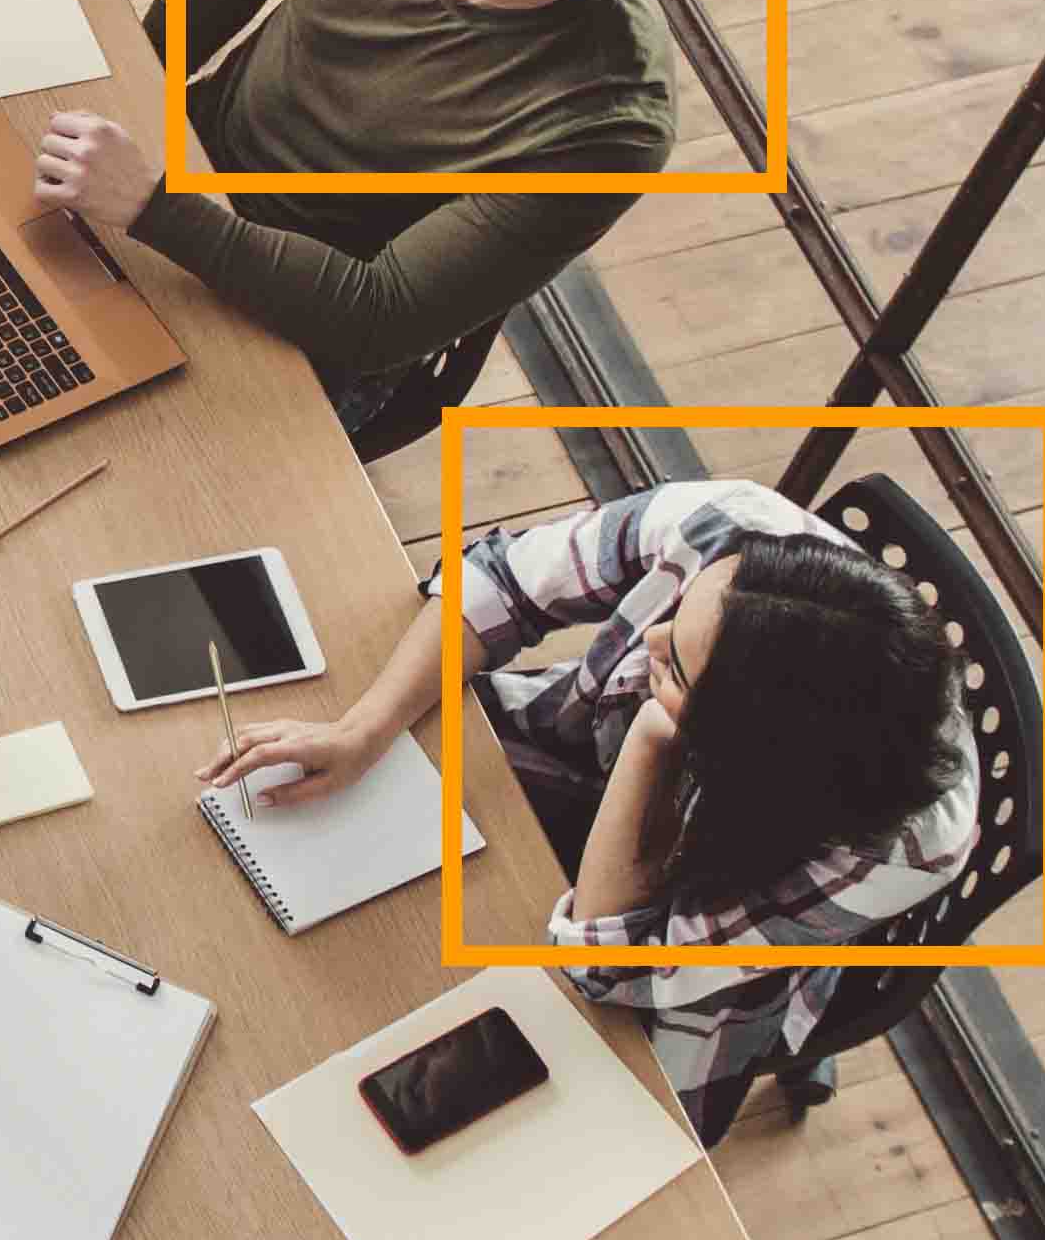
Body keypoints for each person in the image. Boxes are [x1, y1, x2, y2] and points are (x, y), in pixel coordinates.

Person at [26, 0, 682, 461]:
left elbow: (378, 316)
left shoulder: (606, 121)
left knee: (96, 469)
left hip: (307, 320)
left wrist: (152, 208)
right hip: (179, 168)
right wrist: (130, 89)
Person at [201, 475, 975, 1115]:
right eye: (680, 611)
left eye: (680, 665)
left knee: (534, 1097)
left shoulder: (894, 847)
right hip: (571, 754)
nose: (651, 639)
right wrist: (362, 729)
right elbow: (497, 582)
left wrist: (649, 734)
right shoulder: (732, 528)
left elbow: (612, 963)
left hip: (709, 946)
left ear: (746, 745)